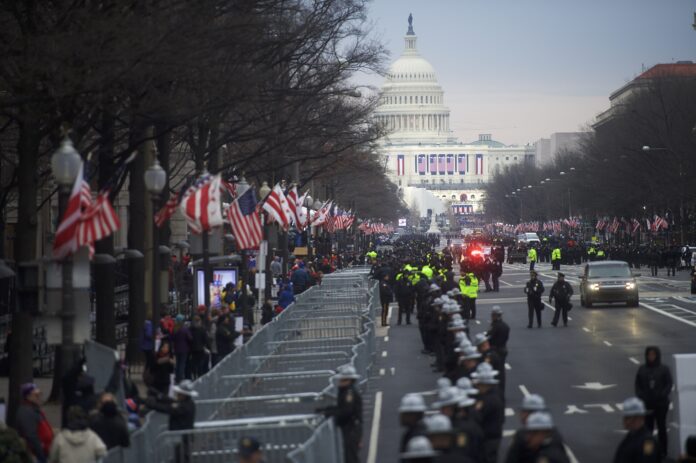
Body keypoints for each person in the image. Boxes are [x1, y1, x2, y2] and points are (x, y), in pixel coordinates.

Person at [634, 346, 673, 458]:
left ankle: (663, 452)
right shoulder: (642, 369)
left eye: (653, 355)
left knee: (662, 428)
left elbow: (669, 384)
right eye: (649, 355)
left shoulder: (664, 369)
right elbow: (638, 385)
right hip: (647, 404)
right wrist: (641, 396)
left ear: (657, 356)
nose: (651, 357)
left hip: (661, 404)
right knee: (648, 431)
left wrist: (662, 395)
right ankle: (648, 452)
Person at [146, 380, 198, 463]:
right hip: (181, 437)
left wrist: (153, 405)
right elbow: (171, 401)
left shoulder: (184, 407)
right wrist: (159, 395)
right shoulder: (187, 403)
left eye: (179, 393)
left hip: (183, 438)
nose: (177, 395)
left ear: (184, 395)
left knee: (182, 459)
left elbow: (168, 409)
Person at [320, 366, 363, 463]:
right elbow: (342, 407)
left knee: (351, 457)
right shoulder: (345, 391)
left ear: (349, 380)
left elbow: (346, 411)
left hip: (352, 428)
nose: (340, 381)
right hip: (349, 427)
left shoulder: (349, 393)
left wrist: (330, 413)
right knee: (348, 455)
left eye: (342, 379)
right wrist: (326, 410)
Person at [471, 363, 504, 463]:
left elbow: (478, 416)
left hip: (489, 436)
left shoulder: (489, 400)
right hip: (491, 435)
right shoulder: (494, 394)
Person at [613, 397, 660, 463]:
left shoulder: (648, 442)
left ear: (640, 418)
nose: (626, 421)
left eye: (629, 417)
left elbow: (648, 460)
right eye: (625, 417)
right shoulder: (630, 436)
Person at [15, 383, 54, 463]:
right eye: (36, 395)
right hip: (37, 456)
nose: (39, 397)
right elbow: (31, 436)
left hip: (44, 452)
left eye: (39, 394)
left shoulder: (34, 409)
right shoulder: (26, 413)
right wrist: (41, 456)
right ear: (28, 397)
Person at [171, 314, 192, 382]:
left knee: (177, 364)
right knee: (182, 364)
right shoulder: (184, 329)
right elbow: (190, 338)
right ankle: (180, 378)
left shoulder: (175, 329)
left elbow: (172, 338)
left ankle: (177, 377)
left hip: (176, 348)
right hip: (184, 349)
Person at [189, 315, 209, 379]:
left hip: (192, 349)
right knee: (200, 363)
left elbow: (189, 339)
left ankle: (194, 374)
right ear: (200, 321)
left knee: (194, 363)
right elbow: (205, 339)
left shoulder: (190, 329)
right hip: (200, 348)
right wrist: (204, 345)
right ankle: (199, 375)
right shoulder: (203, 329)